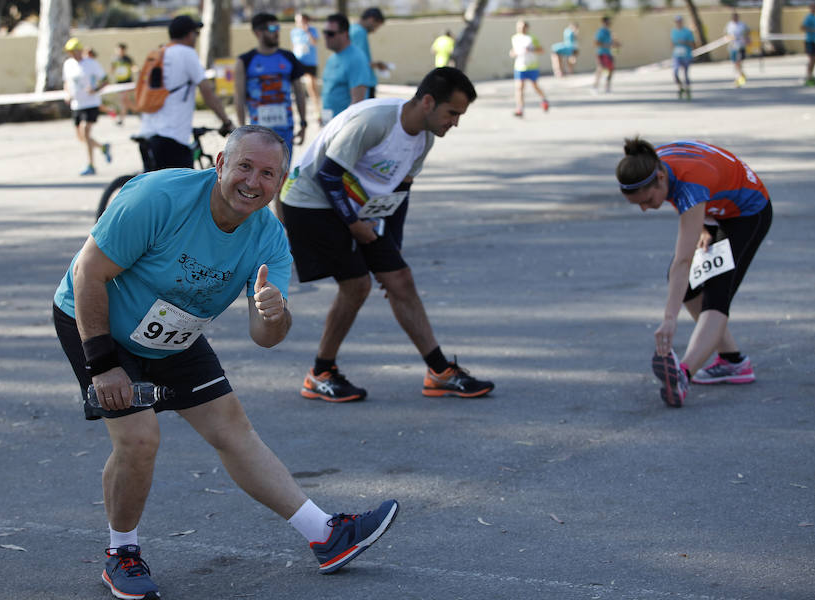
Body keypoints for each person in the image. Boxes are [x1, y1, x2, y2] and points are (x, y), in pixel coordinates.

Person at [52, 124, 400, 600]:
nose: (254, 182)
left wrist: (273, 313)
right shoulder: (158, 197)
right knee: (139, 438)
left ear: (280, 181)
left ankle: (326, 535)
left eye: (268, 174)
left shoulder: (270, 238)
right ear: (219, 163)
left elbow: (265, 338)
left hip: (173, 328)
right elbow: (87, 272)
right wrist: (102, 364)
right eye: (244, 167)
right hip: (97, 320)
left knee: (233, 430)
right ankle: (122, 553)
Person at [280, 67, 494, 403]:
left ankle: (439, 372)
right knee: (356, 284)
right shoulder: (374, 122)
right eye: (452, 113)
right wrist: (355, 227)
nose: (455, 122)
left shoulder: (423, 138)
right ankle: (320, 373)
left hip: (359, 206)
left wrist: (391, 254)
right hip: (310, 201)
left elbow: (400, 195)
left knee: (401, 279)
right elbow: (329, 176)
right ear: (427, 101)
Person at [616, 138, 772, 408]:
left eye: (648, 200)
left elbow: (683, 260)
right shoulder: (653, 164)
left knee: (716, 292)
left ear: (660, 178)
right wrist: (702, 226)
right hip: (715, 209)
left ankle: (683, 374)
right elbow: (685, 191)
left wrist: (669, 320)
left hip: (749, 212)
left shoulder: (691, 183)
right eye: (638, 204)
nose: (645, 208)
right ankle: (733, 361)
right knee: (687, 288)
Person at [138, 15, 234, 169]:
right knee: (185, 187)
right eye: (196, 33)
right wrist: (226, 122)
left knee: (156, 188)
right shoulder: (187, 53)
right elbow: (207, 92)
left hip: (147, 132)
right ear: (190, 34)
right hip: (172, 138)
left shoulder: (160, 53)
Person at [235, 12, 308, 157]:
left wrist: (304, 123)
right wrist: (241, 131)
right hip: (257, 133)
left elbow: (299, 92)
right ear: (258, 32)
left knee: (283, 176)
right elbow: (239, 97)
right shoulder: (245, 61)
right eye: (273, 29)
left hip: (285, 131)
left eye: (278, 28)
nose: (277, 33)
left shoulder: (288, 57)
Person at [63, 38, 111, 176]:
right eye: (70, 52)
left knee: (85, 131)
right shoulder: (68, 64)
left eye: (74, 51)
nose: (72, 54)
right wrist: (67, 94)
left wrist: (95, 89)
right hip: (77, 104)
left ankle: (91, 165)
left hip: (91, 103)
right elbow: (66, 82)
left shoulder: (91, 64)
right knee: (81, 137)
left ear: (80, 50)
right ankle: (103, 147)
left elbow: (105, 80)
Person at [320, 13, 372, 124]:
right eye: (324, 32)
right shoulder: (332, 58)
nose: (326, 37)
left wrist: (342, 127)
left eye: (330, 33)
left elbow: (358, 101)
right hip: (329, 124)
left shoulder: (356, 58)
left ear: (345, 33)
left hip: (344, 128)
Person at [510, 20, 549, 118]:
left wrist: (531, 49)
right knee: (519, 88)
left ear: (527, 27)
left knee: (535, 86)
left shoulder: (532, 38)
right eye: (519, 27)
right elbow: (514, 51)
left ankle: (544, 99)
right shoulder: (514, 38)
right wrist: (512, 53)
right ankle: (520, 109)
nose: (521, 29)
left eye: (523, 27)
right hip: (519, 66)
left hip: (532, 66)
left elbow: (541, 50)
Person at [349, 7, 388, 99]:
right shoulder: (359, 32)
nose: (375, 30)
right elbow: (360, 61)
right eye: (376, 26)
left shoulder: (352, 29)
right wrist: (378, 65)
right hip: (364, 82)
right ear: (371, 19)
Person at [291, 13, 322, 118]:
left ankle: (317, 109)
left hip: (310, 62)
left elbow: (314, 42)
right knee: (297, 86)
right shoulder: (294, 32)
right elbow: (294, 45)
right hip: (299, 61)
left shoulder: (312, 30)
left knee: (311, 86)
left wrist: (307, 31)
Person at [593, 16, 620, 94]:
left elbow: (612, 42)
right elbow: (596, 42)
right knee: (600, 69)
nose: (610, 23)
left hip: (609, 53)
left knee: (611, 69)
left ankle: (607, 87)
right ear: (604, 22)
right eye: (608, 21)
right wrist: (608, 45)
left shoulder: (609, 32)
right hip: (602, 53)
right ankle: (595, 86)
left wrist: (616, 44)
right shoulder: (601, 31)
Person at [671, 15, 695, 100]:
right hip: (677, 55)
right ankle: (680, 87)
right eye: (677, 21)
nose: (678, 23)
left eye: (679, 21)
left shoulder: (687, 32)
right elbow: (672, 43)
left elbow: (693, 44)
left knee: (685, 74)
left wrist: (684, 42)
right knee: (675, 72)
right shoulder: (673, 31)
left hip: (686, 55)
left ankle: (688, 90)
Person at [110, 43, 135, 125]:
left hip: (127, 82)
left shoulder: (127, 59)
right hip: (119, 82)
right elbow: (112, 70)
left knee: (124, 99)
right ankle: (135, 110)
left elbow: (133, 67)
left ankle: (122, 118)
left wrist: (136, 70)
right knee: (123, 101)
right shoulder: (115, 59)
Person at [725, 12, 751, 87]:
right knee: (735, 63)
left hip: (740, 46)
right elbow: (726, 34)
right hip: (732, 46)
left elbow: (747, 32)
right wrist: (729, 38)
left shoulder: (742, 25)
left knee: (738, 62)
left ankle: (739, 79)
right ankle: (741, 75)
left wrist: (747, 39)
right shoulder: (729, 25)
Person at [802, 3, 815, 86]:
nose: (814, 9)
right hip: (809, 41)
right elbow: (803, 27)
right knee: (811, 60)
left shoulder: (814, 17)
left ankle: (811, 76)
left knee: (814, 60)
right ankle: (808, 77)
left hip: (814, 41)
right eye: (813, 7)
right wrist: (813, 30)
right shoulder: (808, 17)